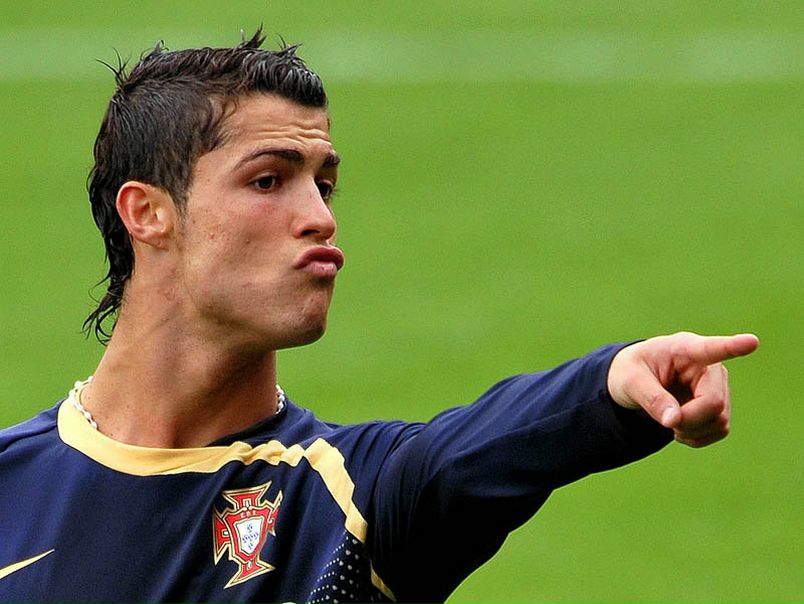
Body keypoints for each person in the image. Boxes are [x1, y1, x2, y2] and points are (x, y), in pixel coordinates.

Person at [0, 30, 758, 604]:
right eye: (268, 181)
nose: (320, 217)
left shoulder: (353, 500)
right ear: (148, 214)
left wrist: (611, 384)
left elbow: (473, 458)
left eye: (324, 185)